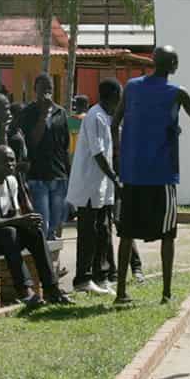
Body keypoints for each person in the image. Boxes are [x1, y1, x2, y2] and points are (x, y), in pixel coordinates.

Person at [115, 45, 190, 306]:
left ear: (152, 61)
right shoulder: (178, 93)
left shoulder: (132, 87)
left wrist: (119, 158)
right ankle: (166, 294)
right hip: (161, 175)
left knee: (126, 234)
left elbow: (115, 123)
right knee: (168, 234)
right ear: (173, 66)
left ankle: (121, 292)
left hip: (133, 174)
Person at [0, 146, 72, 308]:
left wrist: (27, 221)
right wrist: (18, 221)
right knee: (9, 232)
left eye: (12, 160)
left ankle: (51, 288)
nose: (11, 164)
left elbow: (15, 215)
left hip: (4, 236)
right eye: (5, 161)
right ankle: (24, 291)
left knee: (35, 231)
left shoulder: (11, 181)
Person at [66, 80, 121, 296]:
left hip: (102, 187)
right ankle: (83, 278)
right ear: (114, 94)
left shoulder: (106, 117)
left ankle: (102, 276)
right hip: (90, 185)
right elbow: (98, 154)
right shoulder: (94, 116)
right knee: (88, 233)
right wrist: (115, 178)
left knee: (104, 231)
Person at [16, 73, 71, 242]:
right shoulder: (28, 112)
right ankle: (43, 264)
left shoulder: (60, 113)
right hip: (38, 177)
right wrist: (43, 115)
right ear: (35, 91)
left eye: (49, 89)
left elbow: (65, 146)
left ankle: (53, 264)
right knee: (43, 225)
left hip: (58, 176)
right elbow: (32, 142)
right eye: (42, 89)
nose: (46, 93)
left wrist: (68, 174)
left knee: (55, 225)